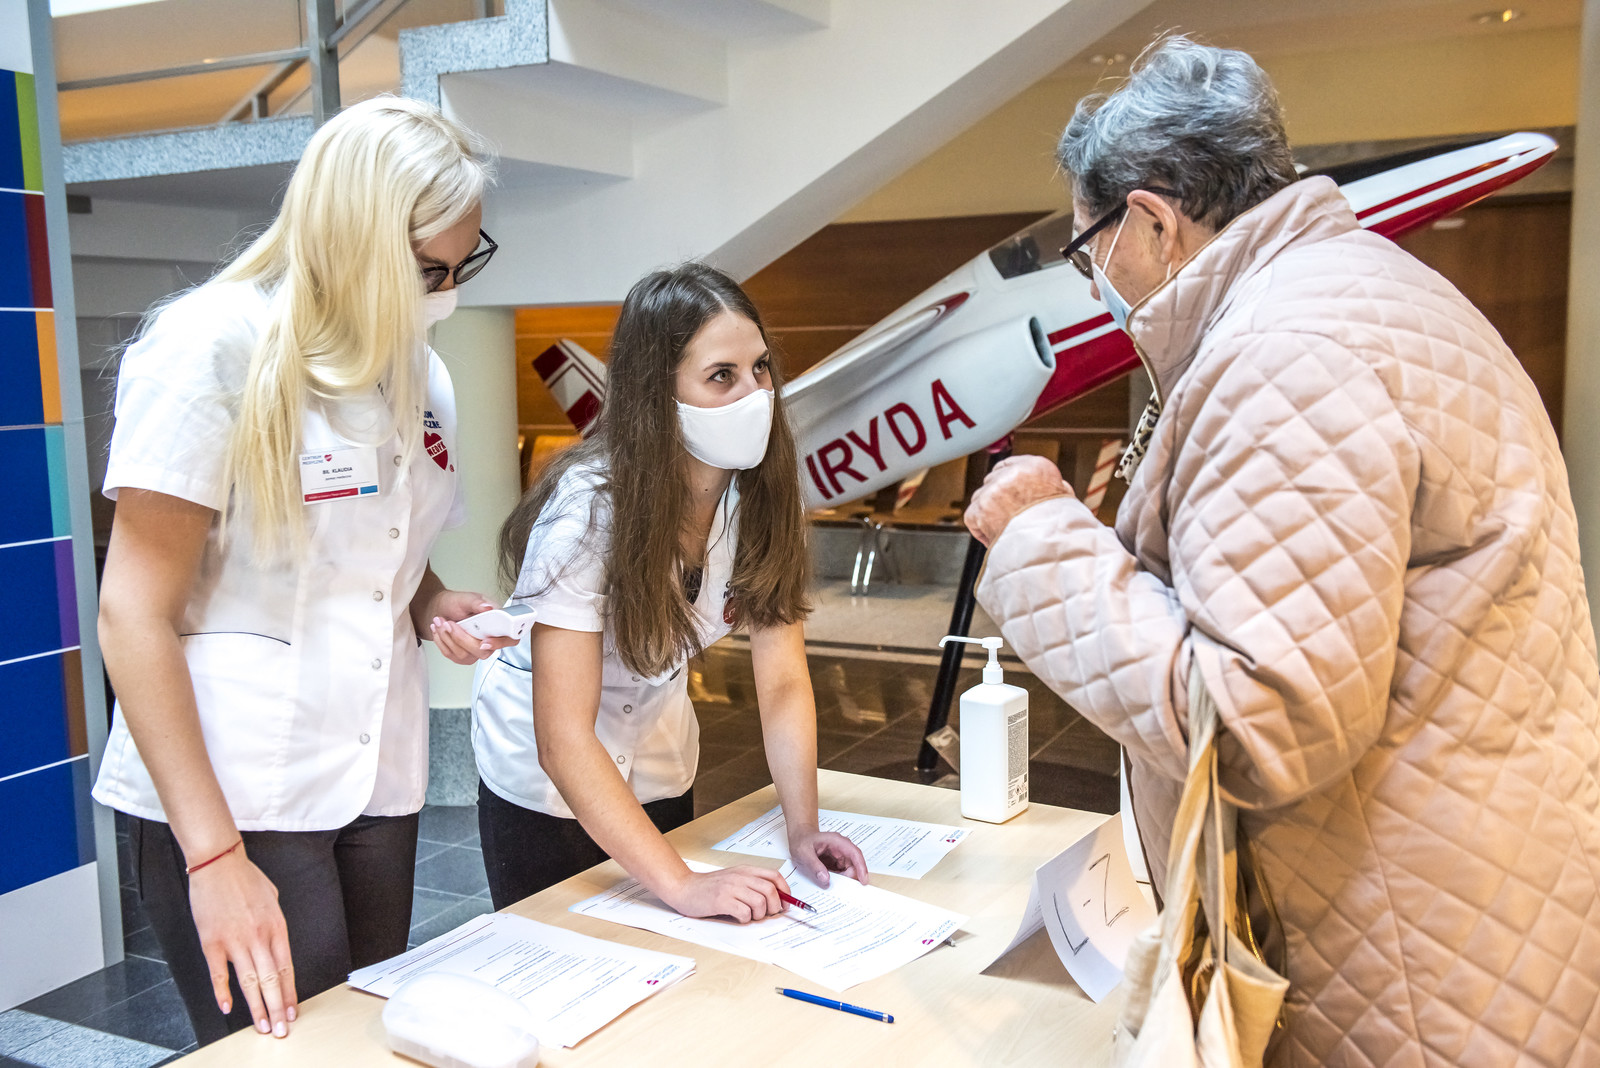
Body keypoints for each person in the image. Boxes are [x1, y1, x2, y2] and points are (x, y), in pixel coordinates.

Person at [965, 37, 1600, 1067]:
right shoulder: (1368, 291)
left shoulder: (1282, 353)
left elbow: (1262, 725)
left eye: (1089, 252)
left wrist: (1041, 540)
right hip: (1473, 890)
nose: (1093, 287)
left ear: (1151, 220)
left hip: (1399, 954)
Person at [93, 97, 515, 1046]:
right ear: (352, 240)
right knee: (288, 1049)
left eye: (465, 265)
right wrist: (214, 859)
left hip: (377, 773)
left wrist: (431, 600)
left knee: (364, 1034)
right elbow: (131, 613)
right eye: (428, 270)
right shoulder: (211, 347)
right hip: (237, 786)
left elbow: (381, 550)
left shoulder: (420, 371)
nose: (447, 295)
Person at [472, 262, 867, 918]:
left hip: (657, 753)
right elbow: (563, 737)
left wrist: (802, 826)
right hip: (547, 785)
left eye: (760, 369)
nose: (755, 395)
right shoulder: (587, 514)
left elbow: (782, 682)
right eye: (722, 376)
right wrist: (682, 884)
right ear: (657, 392)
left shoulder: (761, 498)